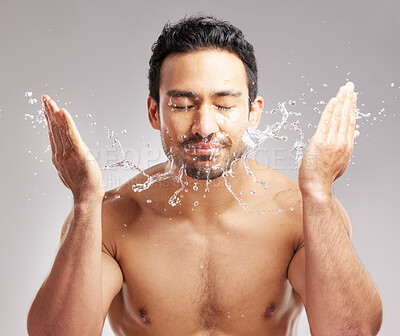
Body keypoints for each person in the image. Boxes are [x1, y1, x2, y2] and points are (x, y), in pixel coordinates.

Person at [27, 15, 382, 335]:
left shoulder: (300, 214)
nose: (204, 127)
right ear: (154, 112)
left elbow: (351, 332)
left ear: (253, 113)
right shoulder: (108, 218)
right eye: (182, 105)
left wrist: (319, 194)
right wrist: (86, 200)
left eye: (225, 105)